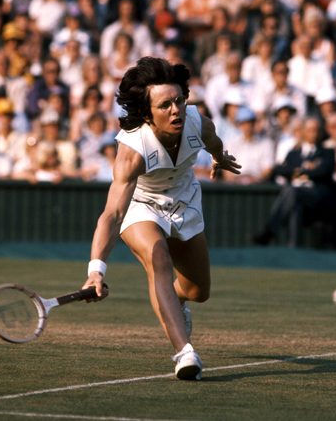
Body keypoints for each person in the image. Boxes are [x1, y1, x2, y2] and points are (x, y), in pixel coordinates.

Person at [81, 57, 241, 381]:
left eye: (179, 100)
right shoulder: (132, 150)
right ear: (147, 112)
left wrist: (220, 159)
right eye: (165, 104)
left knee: (198, 291)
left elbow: (214, 143)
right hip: (141, 206)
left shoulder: (198, 122)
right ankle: (185, 352)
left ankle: (176, 300)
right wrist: (96, 270)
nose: (176, 110)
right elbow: (112, 214)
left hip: (185, 201)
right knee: (159, 261)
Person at [252, 117, 336, 246]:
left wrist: (301, 172)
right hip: (297, 196)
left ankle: (269, 231)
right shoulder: (293, 154)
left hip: (318, 198)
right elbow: (280, 169)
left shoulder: (327, 152)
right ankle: (293, 248)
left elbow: (324, 171)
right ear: (303, 132)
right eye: (310, 130)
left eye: (316, 130)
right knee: (295, 201)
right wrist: (304, 169)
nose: (314, 133)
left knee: (292, 192)